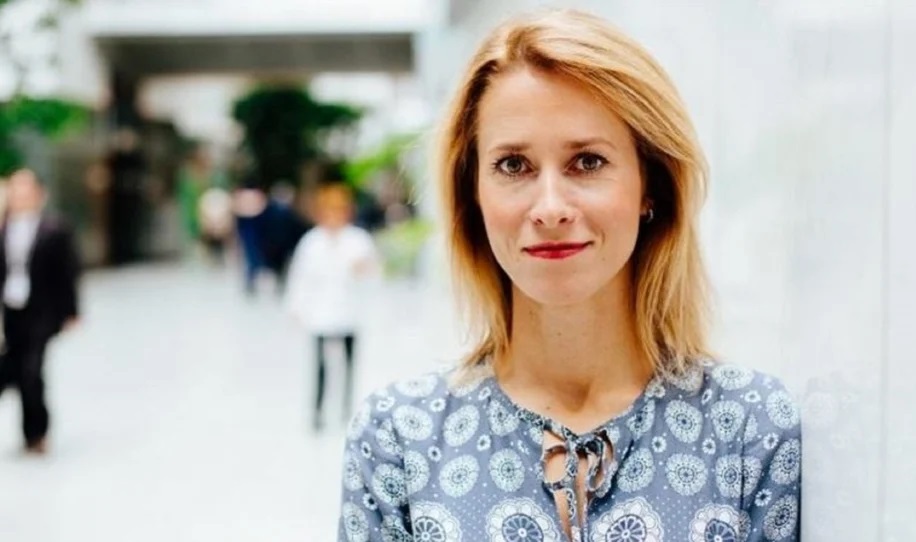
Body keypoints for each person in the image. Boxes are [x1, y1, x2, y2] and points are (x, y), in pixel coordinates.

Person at [337, 9, 801, 542]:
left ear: (650, 185)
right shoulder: (398, 439)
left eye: (587, 162)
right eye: (514, 165)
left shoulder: (750, 431)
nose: (550, 208)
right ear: (474, 195)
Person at [285, 183, 379, 431]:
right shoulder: (312, 241)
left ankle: (346, 408)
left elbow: (372, 273)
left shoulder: (358, 240)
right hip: (321, 312)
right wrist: (296, 306)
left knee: (348, 363)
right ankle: (318, 411)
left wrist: (363, 270)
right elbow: (300, 277)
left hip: (349, 311)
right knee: (320, 365)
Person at [0, 169, 81, 455]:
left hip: (42, 311)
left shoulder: (55, 229)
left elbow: (68, 272)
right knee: (16, 368)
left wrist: (72, 310)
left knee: (32, 370)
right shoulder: (4, 229)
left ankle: (37, 433)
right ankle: (30, 431)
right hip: (12, 308)